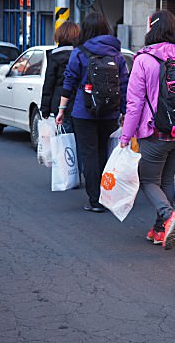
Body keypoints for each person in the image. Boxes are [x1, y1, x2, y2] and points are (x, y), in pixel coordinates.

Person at [119, 10, 175, 250]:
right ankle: (159, 230)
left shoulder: (143, 60)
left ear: (152, 29)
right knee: (166, 181)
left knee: (148, 181)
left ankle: (167, 214)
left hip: (154, 133)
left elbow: (135, 104)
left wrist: (125, 136)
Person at [56, 13, 129, 213]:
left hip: (83, 112)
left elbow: (69, 81)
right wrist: (123, 112)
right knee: (104, 152)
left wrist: (62, 110)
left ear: (86, 29)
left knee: (89, 155)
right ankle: (106, 195)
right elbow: (124, 84)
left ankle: (94, 200)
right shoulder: (116, 53)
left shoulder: (79, 52)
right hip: (110, 112)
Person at [41, 21, 80, 133]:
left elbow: (49, 82)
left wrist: (45, 109)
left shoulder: (54, 55)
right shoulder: (81, 54)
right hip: (79, 103)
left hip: (59, 103)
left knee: (64, 139)